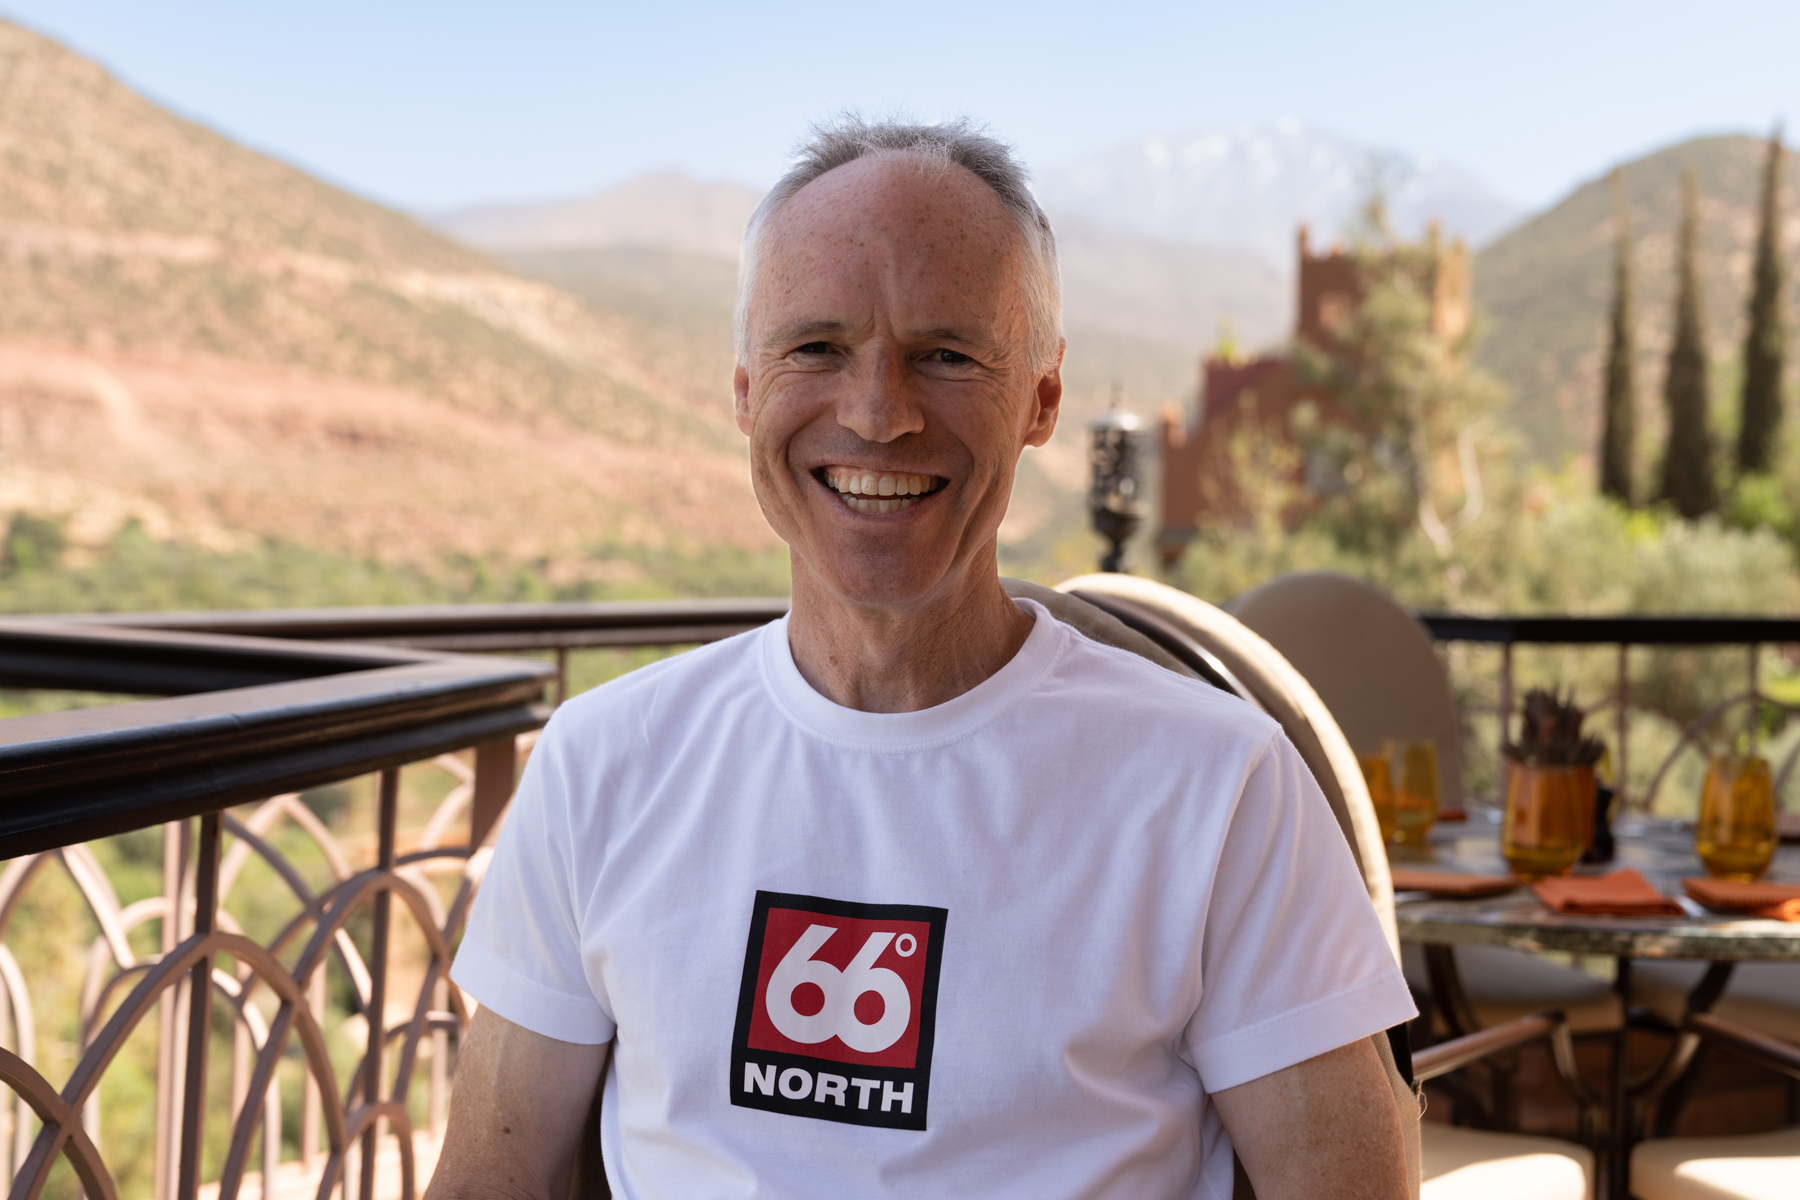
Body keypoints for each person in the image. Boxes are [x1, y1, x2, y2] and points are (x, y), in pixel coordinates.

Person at [426, 117, 1415, 1200]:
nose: (878, 413)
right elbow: (490, 1180)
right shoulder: (602, 765)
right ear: (748, 391)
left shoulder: (1218, 786)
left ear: (1041, 397)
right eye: (816, 349)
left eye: (946, 355)